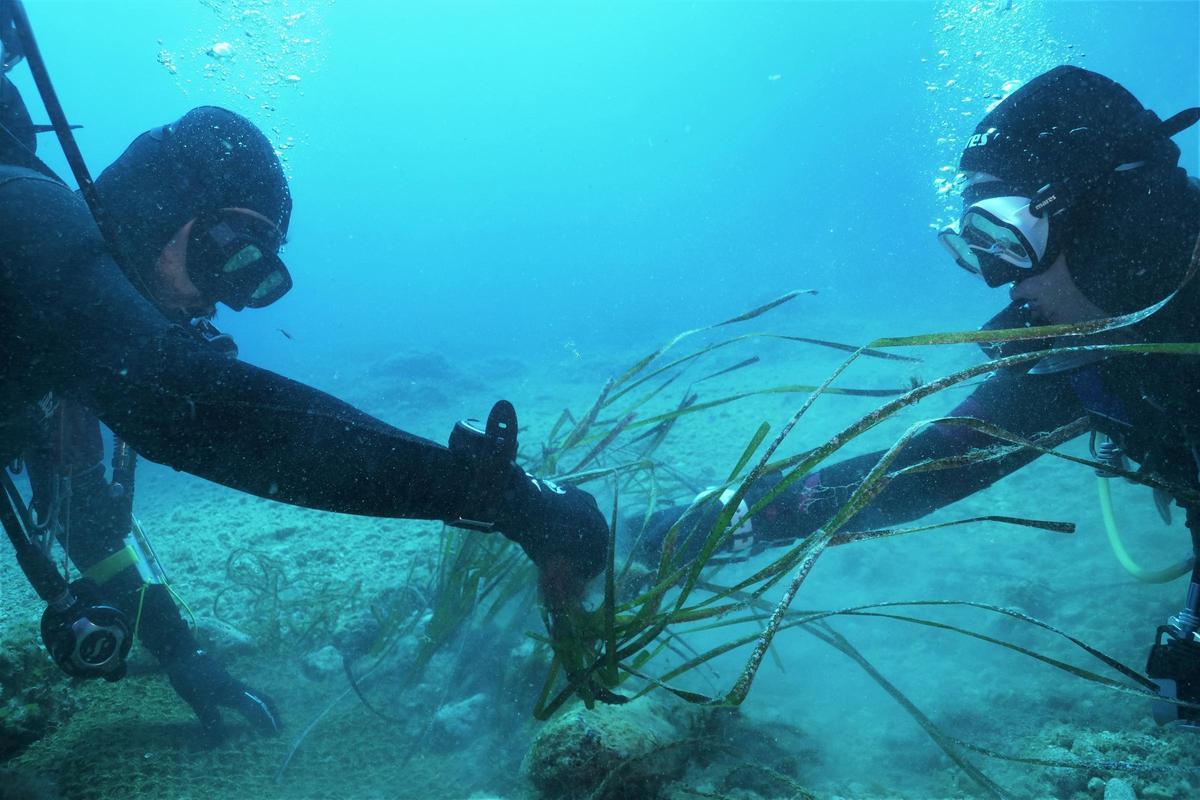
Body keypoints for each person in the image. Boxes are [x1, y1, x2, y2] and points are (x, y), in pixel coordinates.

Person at [0, 3, 608, 743]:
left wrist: (184, 653)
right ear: (161, 204)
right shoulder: (24, 215)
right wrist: (500, 496)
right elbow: (191, 408)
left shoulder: (62, 329)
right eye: (228, 252)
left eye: (251, 278)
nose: (217, 299)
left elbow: (91, 527)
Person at [636, 66, 1200, 723]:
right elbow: (936, 462)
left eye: (1007, 236)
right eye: (975, 243)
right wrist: (692, 532)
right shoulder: (1086, 353)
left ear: (1120, 224)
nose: (996, 281)